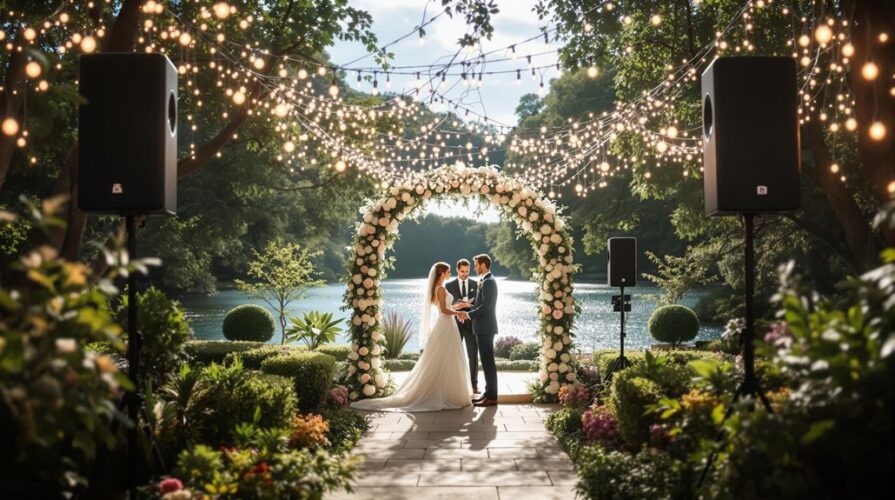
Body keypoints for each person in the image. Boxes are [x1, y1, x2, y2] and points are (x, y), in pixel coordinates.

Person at [351, 262, 472, 412]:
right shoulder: (440, 288)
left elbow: (446, 308)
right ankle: (444, 393)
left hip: (447, 325)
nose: (450, 274)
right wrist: (459, 313)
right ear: (441, 273)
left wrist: (458, 307)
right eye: (448, 272)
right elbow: (443, 311)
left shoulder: (440, 288)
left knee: (447, 357)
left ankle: (448, 392)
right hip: (445, 325)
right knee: (443, 357)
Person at [458, 254, 499, 407]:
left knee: (488, 362)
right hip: (482, 327)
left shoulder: (489, 282)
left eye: (475, 265)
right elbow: (479, 302)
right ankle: (488, 394)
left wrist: (468, 314)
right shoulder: (485, 281)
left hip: (486, 328)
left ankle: (492, 396)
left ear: (483, 265)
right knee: (486, 361)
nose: (474, 268)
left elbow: (486, 307)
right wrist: (467, 305)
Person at [444, 258, 480, 394]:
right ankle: (454, 384)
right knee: (453, 355)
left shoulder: (476, 284)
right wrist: (458, 308)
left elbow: (478, 304)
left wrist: (470, 306)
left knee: (473, 355)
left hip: (471, 325)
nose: (465, 274)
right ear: (457, 270)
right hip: (455, 325)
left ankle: (474, 384)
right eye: (462, 271)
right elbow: (447, 306)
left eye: (467, 271)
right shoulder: (449, 286)